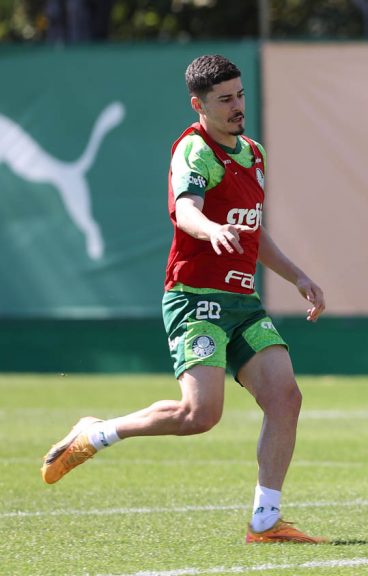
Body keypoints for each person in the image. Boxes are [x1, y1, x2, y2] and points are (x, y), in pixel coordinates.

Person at [41, 54, 327, 544]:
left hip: (242, 301)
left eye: (240, 94)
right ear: (199, 105)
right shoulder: (193, 151)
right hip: (195, 298)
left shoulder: (253, 153)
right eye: (225, 100)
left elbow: (256, 235)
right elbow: (187, 212)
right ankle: (95, 432)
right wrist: (211, 228)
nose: (238, 106)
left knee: (286, 397)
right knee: (199, 416)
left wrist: (299, 275)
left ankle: (265, 521)